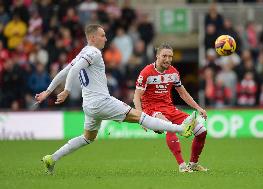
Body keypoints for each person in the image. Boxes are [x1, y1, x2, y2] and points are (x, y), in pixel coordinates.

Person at [35, 24, 196, 175]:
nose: (106, 38)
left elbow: (65, 71)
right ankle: (182, 129)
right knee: (141, 117)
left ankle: (52, 158)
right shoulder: (93, 52)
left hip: (89, 105)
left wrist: (47, 91)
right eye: (102, 35)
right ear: (92, 38)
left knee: (87, 138)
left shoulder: (82, 52)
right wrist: (66, 90)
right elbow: (74, 69)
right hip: (102, 101)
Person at [133, 43, 208, 173]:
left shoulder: (173, 72)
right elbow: (136, 96)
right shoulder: (146, 72)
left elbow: (183, 93)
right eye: (164, 56)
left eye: (170, 56)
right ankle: (182, 165)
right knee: (168, 126)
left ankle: (193, 164)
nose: (167, 59)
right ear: (157, 56)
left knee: (202, 131)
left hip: (170, 109)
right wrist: (141, 117)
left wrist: (198, 108)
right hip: (152, 109)